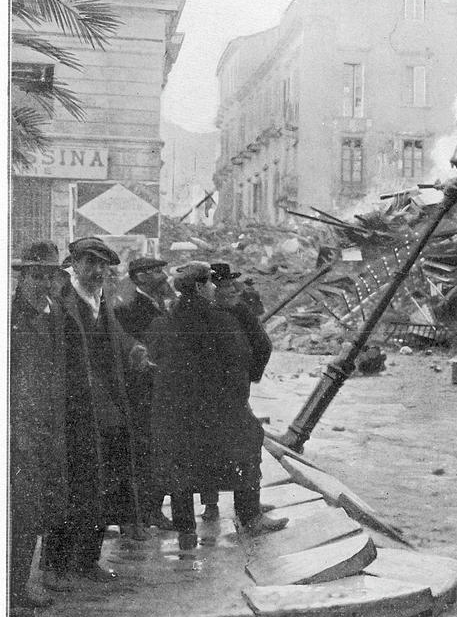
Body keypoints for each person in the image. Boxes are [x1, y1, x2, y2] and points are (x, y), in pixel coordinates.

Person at [146, 262, 287, 550]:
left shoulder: (165, 320)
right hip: (219, 410)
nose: (214, 288)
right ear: (199, 287)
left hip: (178, 412)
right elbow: (241, 359)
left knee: (181, 466)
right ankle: (250, 517)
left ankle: (186, 531)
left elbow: (155, 365)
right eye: (210, 283)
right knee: (249, 444)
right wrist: (235, 399)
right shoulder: (222, 321)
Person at [42, 238, 151, 591]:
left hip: (103, 407)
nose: (99, 271)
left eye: (104, 265)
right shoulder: (60, 298)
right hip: (71, 409)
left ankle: (87, 560)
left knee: (102, 485)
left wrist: (133, 347)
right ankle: (54, 567)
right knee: (68, 487)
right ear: (75, 263)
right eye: (92, 264)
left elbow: (113, 334)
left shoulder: (98, 297)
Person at [9, 242, 68, 616]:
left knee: (37, 512)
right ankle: (12, 595)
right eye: (35, 275)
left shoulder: (55, 311)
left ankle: (18, 587)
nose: (42, 282)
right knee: (20, 513)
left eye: (48, 275)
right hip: (19, 431)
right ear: (22, 277)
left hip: (48, 427)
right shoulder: (12, 317)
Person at [197, 263, 275, 522]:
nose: (230, 290)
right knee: (249, 443)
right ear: (209, 289)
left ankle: (214, 505)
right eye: (223, 286)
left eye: (231, 285)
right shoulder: (235, 312)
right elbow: (263, 346)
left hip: (215, 395)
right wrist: (248, 376)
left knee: (213, 447)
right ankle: (250, 514)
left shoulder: (201, 313)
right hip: (228, 395)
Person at [114, 257, 175, 530]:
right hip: (141, 389)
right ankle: (141, 514)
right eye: (155, 272)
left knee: (155, 450)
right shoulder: (130, 306)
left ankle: (150, 510)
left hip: (158, 387)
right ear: (139, 278)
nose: (163, 275)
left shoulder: (154, 301)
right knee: (143, 451)